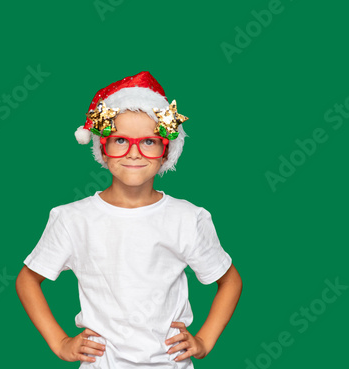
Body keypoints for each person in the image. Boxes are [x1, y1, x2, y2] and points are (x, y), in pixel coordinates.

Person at [16, 71, 243, 369]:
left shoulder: (188, 218)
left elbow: (229, 280)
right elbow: (28, 279)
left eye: (149, 141)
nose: (134, 153)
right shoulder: (72, 219)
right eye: (120, 140)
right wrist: (60, 342)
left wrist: (204, 341)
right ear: (102, 149)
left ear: (166, 152)